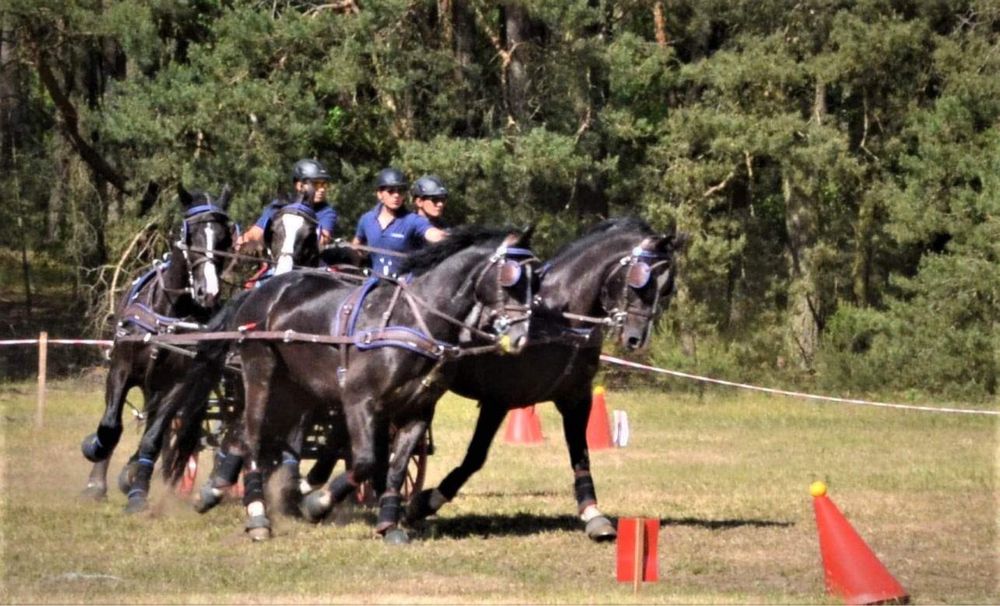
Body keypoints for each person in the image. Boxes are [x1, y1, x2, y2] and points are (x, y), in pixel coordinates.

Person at [352, 167, 447, 276]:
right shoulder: (366, 219)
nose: (396, 195)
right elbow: (356, 247)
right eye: (391, 191)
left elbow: (433, 234)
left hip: (403, 285)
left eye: (400, 191)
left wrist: (456, 238)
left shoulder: (413, 220)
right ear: (379, 194)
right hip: (374, 284)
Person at [236, 158, 337, 252]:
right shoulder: (279, 205)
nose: (322, 189)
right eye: (316, 184)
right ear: (299, 185)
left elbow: (321, 242)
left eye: (324, 184)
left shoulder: (327, 212)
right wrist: (247, 239)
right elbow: (257, 233)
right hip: (276, 263)